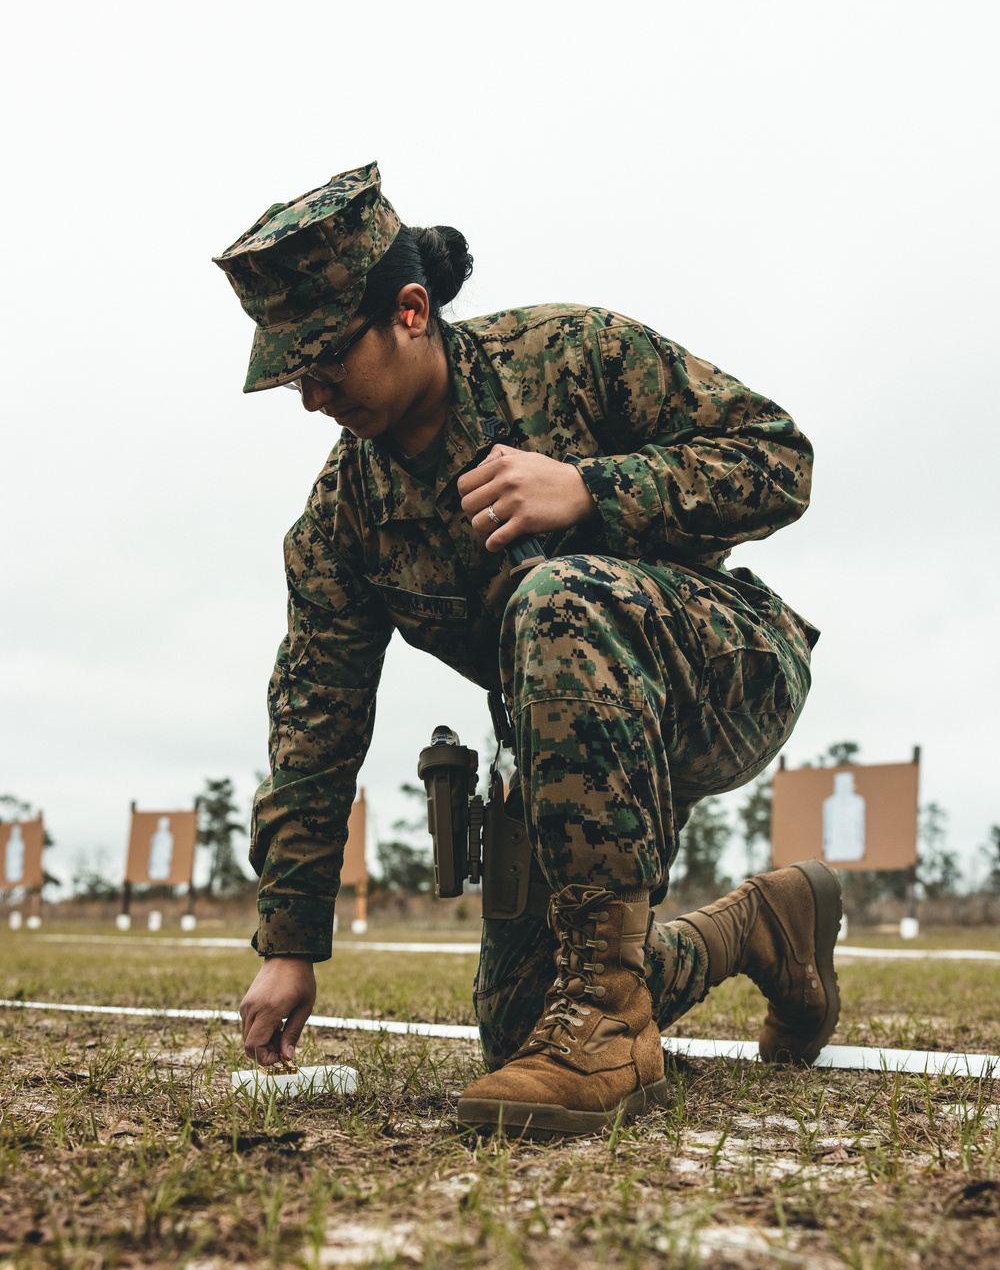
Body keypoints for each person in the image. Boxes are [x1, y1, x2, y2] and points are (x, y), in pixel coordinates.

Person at [214, 162, 841, 1137]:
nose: (311, 397)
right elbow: (313, 726)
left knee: (553, 595)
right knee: (516, 1032)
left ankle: (610, 1023)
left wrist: (593, 487)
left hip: (724, 664)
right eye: (294, 375)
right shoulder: (344, 520)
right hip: (571, 757)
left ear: (410, 311)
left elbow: (777, 458)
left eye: (325, 361)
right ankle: (756, 927)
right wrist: (290, 942)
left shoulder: (569, 353)